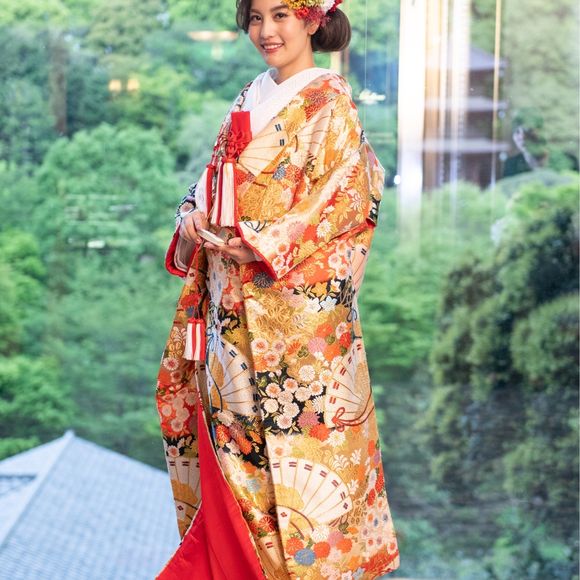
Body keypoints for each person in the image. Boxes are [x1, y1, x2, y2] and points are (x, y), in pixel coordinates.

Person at [155, 0, 400, 578]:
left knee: (295, 468)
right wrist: (191, 217)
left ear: (313, 20)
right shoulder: (250, 95)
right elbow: (208, 183)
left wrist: (262, 243)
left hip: (293, 326)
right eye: (256, 17)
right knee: (233, 452)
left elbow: (348, 199)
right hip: (229, 312)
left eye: (282, 14)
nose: (266, 30)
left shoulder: (330, 101)